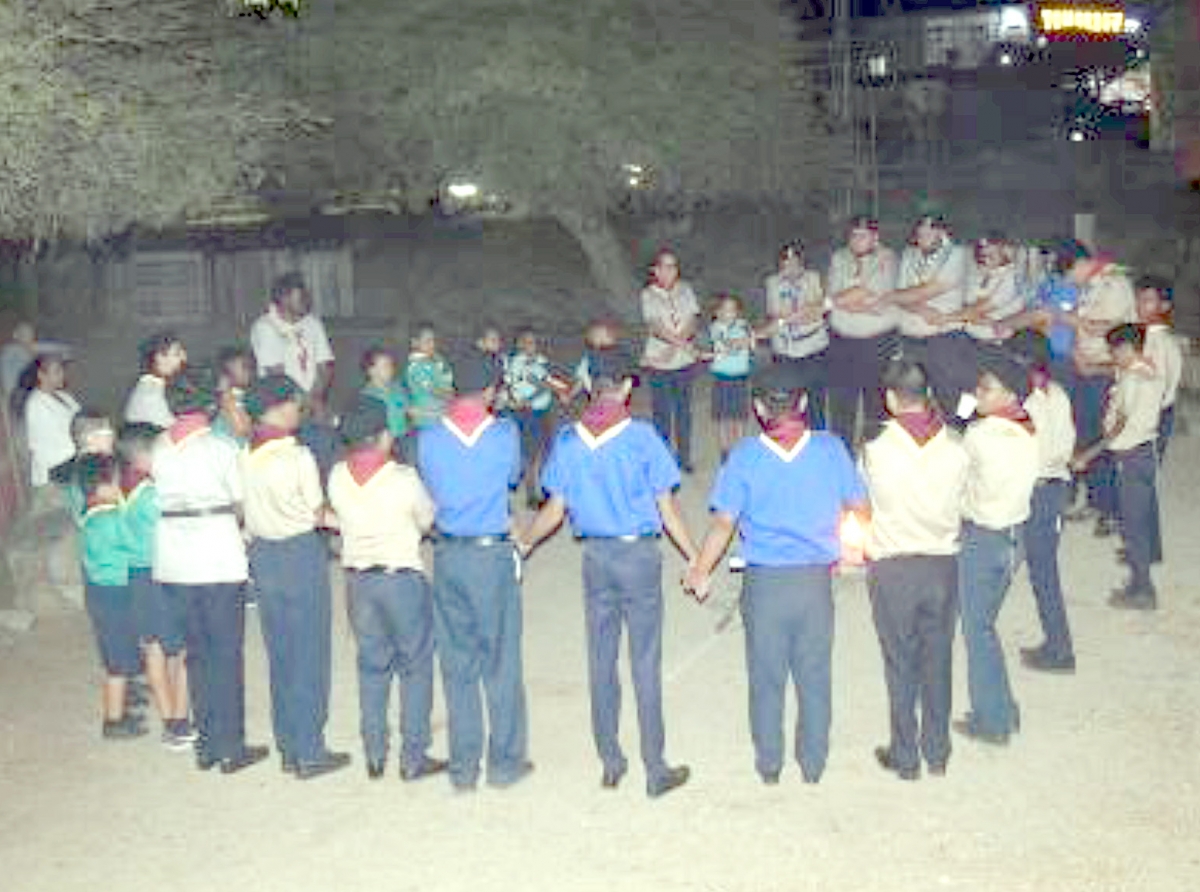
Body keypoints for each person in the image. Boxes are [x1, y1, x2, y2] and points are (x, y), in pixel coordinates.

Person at [518, 354, 696, 798]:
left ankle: (611, 761)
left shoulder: (569, 439)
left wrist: (523, 541)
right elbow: (667, 509)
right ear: (627, 388)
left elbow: (554, 511)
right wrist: (695, 557)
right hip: (638, 556)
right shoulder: (641, 437)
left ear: (592, 387)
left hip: (596, 557)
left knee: (601, 660)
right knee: (645, 661)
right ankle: (655, 768)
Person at [685, 364, 869, 785]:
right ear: (804, 403)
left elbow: (723, 524)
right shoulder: (830, 448)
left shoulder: (745, 457)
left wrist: (700, 568)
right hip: (814, 583)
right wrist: (851, 549)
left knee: (766, 676)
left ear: (757, 407)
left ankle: (769, 763)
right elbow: (859, 509)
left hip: (764, 584)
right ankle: (813, 763)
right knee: (814, 674)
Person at [417, 353, 531, 791]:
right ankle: (504, 762)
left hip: (448, 555)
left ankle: (464, 768)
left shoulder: (428, 438)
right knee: (500, 658)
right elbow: (512, 478)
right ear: (490, 392)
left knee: (457, 660)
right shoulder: (503, 434)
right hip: (491, 553)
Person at [152, 367, 268, 774]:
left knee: (197, 655)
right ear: (209, 402)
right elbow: (241, 501)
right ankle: (231, 748)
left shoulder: (159, 446)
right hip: (216, 555)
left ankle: (206, 743)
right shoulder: (220, 447)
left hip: (174, 559)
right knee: (226, 653)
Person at [859, 359, 969, 780]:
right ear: (928, 396)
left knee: (900, 662)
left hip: (893, 567)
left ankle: (905, 757)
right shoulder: (957, 447)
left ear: (889, 399)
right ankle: (938, 753)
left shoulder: (874, 449)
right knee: (938, 659)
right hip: (942, 564)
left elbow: (860, 505)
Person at [328, 398, 448, 782]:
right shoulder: (402, 478)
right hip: (401, 579)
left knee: (371, 667)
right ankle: (413, 755)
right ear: (383, 437)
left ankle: (375, 752)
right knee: (415, 665)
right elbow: (428, 519)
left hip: (359, 583)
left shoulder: (336, 475)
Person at [240, 374, 349, 780]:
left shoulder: (245, 453)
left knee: (282, 652)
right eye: (294, 403)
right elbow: (317, 512)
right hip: (300, 554)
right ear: (281, 406)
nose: (297, 410)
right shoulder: (296, 456)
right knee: (309, 653)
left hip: (264, 557)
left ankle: (288, 744)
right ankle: (310, 750)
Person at [954, 350, 1039, 745]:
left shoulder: (982, 434)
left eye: (986, 388)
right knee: (984, 624)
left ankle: (993, 721)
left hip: (983, 537)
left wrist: (962, 420)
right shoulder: (1026, 425)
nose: (978, 392)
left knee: (977, 629)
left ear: (1010, 395)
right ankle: (1003, 707)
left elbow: (954, 465)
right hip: (1014, 533)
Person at [1072, 324, 1165, 611]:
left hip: (1131, 456)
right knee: (1137, 522)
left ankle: (1143, 591)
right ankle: (1139, 583)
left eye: (1115, 351)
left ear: (1126, 349)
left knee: (1133, 526)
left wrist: (1088, 454)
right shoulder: (1146, 370)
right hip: (1143, 453)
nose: (1113, 356)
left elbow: (1120, 424)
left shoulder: (1133, 379)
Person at [118, 422, 195, 749]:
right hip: (160, 572)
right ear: (146, 454)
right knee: (179, 646)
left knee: (153, 646)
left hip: (135, 572)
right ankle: (178, 720)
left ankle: (170, 719)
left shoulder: (121, 484)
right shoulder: (151, 493)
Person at [1062, 242, 1136, 536]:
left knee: (1105, 439)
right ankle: (1096, 500)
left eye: (1070, 274)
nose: (1070, 282)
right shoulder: (1090, 284)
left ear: (1081, 264)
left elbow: (1102, 328)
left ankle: (1113, 510)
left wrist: (1065, 317)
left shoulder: (1115, 285)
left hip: (1106, 369)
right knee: (1085, 434)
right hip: (1085, 368)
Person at [1016, 334, 1078, 674]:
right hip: (1056, 484)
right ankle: (1055, 644)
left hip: (1039, 491)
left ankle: (1060, 649)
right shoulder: (1058, 393)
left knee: (1044, 574)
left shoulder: (1027, 404)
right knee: (1042, 569)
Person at [76, 453, 147, 740]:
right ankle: (114, 721)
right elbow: (134, 546)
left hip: (100, 593)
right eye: (116, 480)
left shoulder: (90, 515)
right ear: (104, 486)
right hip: (117, 593)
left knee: (114, 657)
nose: (120, 485)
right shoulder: (112, 518)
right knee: (118, 663)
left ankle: (119, 710)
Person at [889, 215, 973, 420]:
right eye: (920, 230)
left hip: (944, 338)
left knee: (950, 396)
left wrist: (896, 297)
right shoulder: (909, 254)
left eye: (929, 229)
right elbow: (899, 294)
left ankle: (960, 436)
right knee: (909, 395)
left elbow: (932, 289)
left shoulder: (957, 254)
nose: (922, 234)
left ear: (942, 232)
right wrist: (919, 308)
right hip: (910, 339)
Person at [826, 215, 899, 451]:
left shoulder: (887, 258)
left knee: (876, 402)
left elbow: (875, 296)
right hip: (841, 341)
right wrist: (851, 301)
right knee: (841, 401)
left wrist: (839, 301)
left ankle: (875, 456)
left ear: (875, 237)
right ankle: (842, 455)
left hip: (876, 343)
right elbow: (836, 294)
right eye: (854, 234)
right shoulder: (839, 258)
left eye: (863, 234)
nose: (857, 239)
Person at [640, 248, 701, 473]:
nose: (669, 271)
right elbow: (655, 326)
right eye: (664, 266)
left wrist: (679, 346)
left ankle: (684, 457)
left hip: (683, 361)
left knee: (684, 410)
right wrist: (681, 345)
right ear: (655, 270)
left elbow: (693, 320)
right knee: (662, 413)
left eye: (673, 266)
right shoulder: (648, 294)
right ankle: (663, 459)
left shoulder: (686, 289)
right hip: (659, 361)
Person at [250, 271, 335, 420]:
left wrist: (314, 399)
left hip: (312, 404)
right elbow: (277, 376)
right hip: (281, 407)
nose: (306, 301)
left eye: (305, 295)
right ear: (284, 299)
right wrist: (306, 403)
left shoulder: (313, 323)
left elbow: (324, 366)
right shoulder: (265, 327)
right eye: (300, 297)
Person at [763, 242, 829, 429]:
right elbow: (775, 314)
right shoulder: (772, 282)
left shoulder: (813, 278)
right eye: (785, 263)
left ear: (801, 262)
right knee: (787, 400)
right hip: (785, 349)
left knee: (815, 401)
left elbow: (816, 311)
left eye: (794, 262)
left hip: (813, 348)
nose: (790, 267)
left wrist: (793, 316)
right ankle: (789, 436)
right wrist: (799, 314)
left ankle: (817, 437)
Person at [504, 327, 556, 508]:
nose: (531, 346)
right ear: (518, 345)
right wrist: (521, 401)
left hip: (542, 409)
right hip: (528, 412)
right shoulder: (518, 363)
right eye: (526, 342)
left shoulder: (539, 361)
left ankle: (540, 488)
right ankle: (532, 493)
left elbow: (546, 384)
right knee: (531, 453)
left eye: (533, 342)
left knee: (542, 450)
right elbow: (512, 384)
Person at [1134, 275, 1182, 463]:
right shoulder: (1140, 335)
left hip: (1151, 417)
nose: (1139, 305)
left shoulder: (1164, 343)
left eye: (1147, 300)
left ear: (1164, 306)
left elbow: (1163, 391)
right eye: (1138, 299)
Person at [17, 355, 80, 492]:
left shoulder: (64, 396)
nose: (63, 375)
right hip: (55, 465)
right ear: (41, 375)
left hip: (71, 455)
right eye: (57, 371)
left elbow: (82, 420)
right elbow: (58, 440)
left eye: (62, 370)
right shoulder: (36, 403)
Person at [706, 294, 755, 463]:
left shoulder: (744, 325)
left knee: (739, 415)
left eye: (733, 309)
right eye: (725, 309)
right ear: (717, 312)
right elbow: (727, 343)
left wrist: (749, 338)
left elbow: (753, 342)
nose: (729, 313)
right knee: (723, 416)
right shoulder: (716, 327)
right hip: (722, 377)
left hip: (740, 376)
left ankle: (740, 447)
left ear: (739, 312)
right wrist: (745, 340)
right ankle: (725, 449)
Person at [961, 235, 1023, 345]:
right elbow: (965, 304)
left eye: (991, 253)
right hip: (968, 335)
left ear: (1003, 250)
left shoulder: (1011, 276)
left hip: (997, 341)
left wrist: (969, 315)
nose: (985, 257)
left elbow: (981, 308)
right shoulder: (978, 273)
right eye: (983, 253)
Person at [124, 332, 187, 428]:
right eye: (177, 354)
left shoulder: (149, 385)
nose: (183, 358)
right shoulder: (150, 393)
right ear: (159, 357)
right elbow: (174, 429)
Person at [359, 345, 410, 461]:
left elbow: (408, 410)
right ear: (371, 371)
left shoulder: (397, 387)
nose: (390, 369)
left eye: (391, 365)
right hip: (383, 445)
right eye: (385, 366)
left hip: (404, 439)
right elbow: (365, 431)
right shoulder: (366, 396)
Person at [404, 321, 454, 432]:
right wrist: (454, 399)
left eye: (433, 340)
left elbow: (448, 379)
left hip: (441, 415)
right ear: (414, 343)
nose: (432, 344)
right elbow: (435, 391)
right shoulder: (416, 366)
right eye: (427, 341)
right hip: (426, 420)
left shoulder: (436, 360)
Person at [1, 321, 70, 398]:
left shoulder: (26, 351)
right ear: (15, 335)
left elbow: (64, 351)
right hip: (19, 397)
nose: (28, 337)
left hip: (26, 395)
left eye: (31, 335)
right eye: (24, 334)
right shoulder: (12, 351)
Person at [212, 345, 255, 446]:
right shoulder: (226, 398)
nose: (249, 370)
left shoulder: (242, 395)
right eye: (243, 366)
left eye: (249, 366)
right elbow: (243, 429)